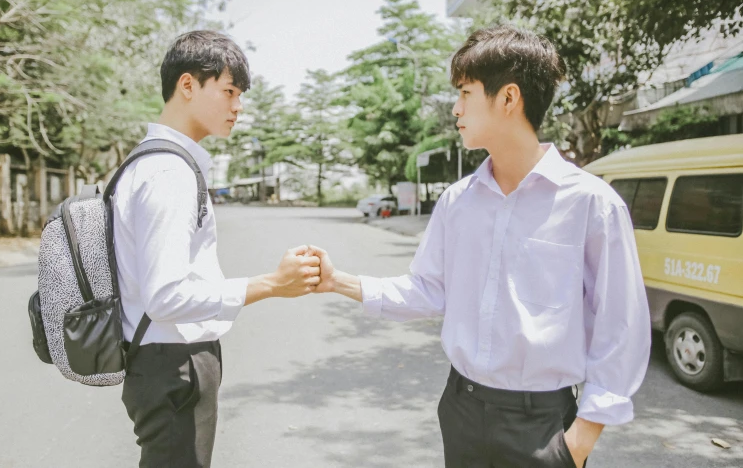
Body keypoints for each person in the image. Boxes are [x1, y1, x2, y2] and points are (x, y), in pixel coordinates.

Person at [309, 25, 651, 467]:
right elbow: (429, 290)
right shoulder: (457, 202)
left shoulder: (591, 203)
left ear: (508, 98)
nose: (456, 108)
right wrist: (339, 282)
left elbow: (620, 323)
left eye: (465, 93)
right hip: (461, 410)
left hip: (542, 425)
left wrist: (580, 438)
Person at [113, 30, 322, 467]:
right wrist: (272, 284)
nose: (238, 107)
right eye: (228, 91)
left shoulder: (151, 161)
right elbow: (166, 296)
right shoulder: (168, 172)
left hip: (163, 360)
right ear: (187, 85)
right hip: (173, 364)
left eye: (240, 95)